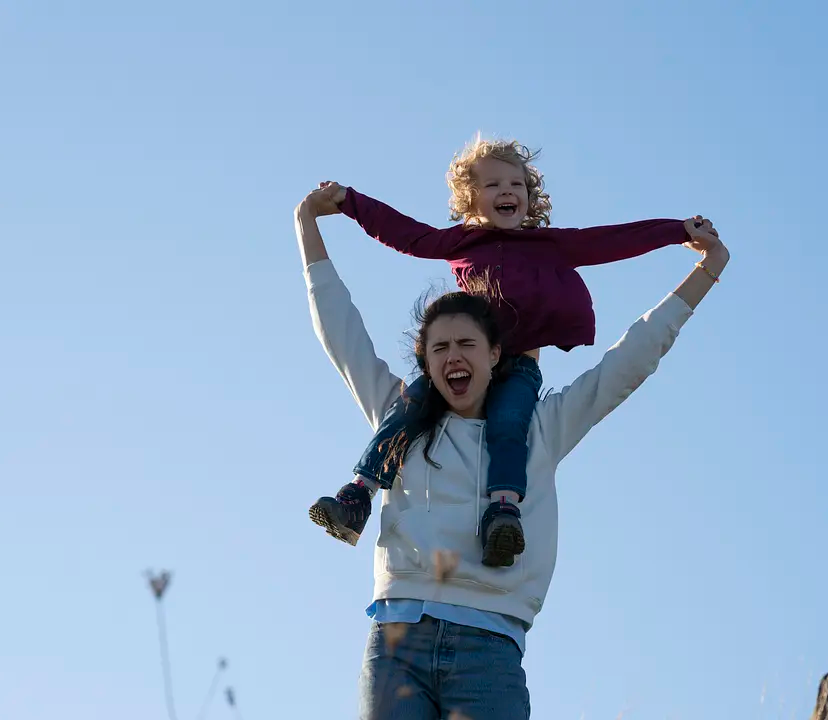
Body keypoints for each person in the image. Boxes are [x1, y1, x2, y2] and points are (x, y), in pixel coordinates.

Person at [295, 181, 730, 719]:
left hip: (488, 650)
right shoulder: (398, 420)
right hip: (396, 645)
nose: (454, 357)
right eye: (440, 348)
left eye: (466, 345)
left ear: (495, 354)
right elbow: (341, 330)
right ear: (427, 363)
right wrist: (307, 226)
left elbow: (631, 360)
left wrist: (707, 270)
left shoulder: (537, 430)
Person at [308, 138, 699, 567]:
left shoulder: (549, 244)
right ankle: (358, 495)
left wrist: (677, 230)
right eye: (493, 184)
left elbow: (612, 240)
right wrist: (349, 200)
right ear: (470, 198)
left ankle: (503, 513)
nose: (508, 191)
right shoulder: (460, 242)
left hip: (517, 368)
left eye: (517, 183)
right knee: (408, 408)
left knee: (510, 424)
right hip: (464, 365)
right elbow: (405, 233)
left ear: (531, 197)